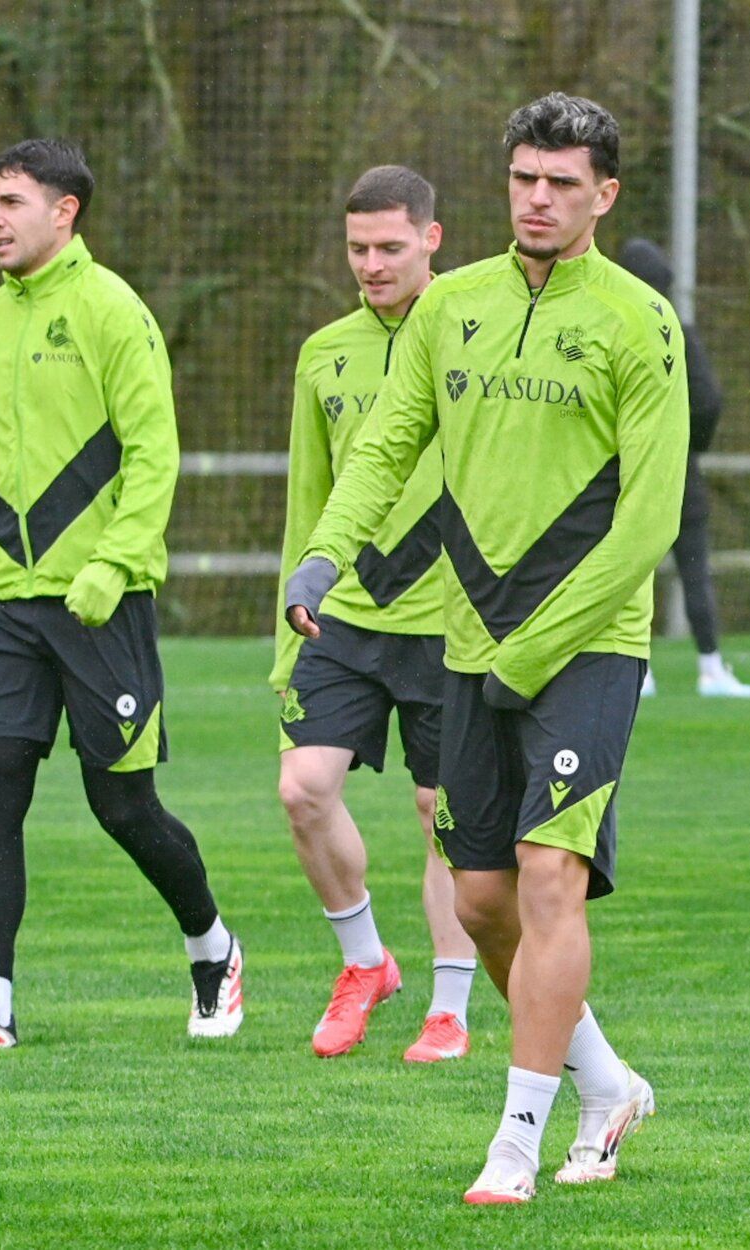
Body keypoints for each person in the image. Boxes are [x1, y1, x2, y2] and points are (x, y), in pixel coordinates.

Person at [284, 93, 684, 1205]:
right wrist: (325, 554)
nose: (540, 199)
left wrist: (538, 646)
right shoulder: (448, 307)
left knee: (552, 877)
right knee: (483, 900)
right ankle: (607, 1082)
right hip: (470, 644)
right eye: (523, 179)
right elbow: (383, 447)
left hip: (590, 645)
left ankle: (518, 1137)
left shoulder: (640, 320)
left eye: (562, 183)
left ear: (604, 194)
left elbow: (647, 521)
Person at [0, 139, 240, 1050]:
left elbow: (154, 450)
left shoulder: (113, 311)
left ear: (65, 211)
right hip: (1, 603)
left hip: (100, 604)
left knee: (122, 806)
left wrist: (116, 560)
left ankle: (213, 947)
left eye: (11, 201)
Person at [272, 165, 478, 1063]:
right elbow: (310, 496)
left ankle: (451, 1004)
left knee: (443, 810)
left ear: (431, 239)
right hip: (346, 616)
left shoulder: (473, 337)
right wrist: (288, 618)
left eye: (390, 246)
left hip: (449, 619)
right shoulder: (324, 351)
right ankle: (365, 964)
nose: (371, 263)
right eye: (357, 248)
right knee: (302, 789)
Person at [618, 238, 750, 699]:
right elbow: (709, 399)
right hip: (679, 478)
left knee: (626, 571)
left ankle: (637, 670)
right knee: (695, 569)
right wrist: (686, 446)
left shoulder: (611, 330)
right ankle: (711, 667)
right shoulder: (676, 330)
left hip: (623, 476)